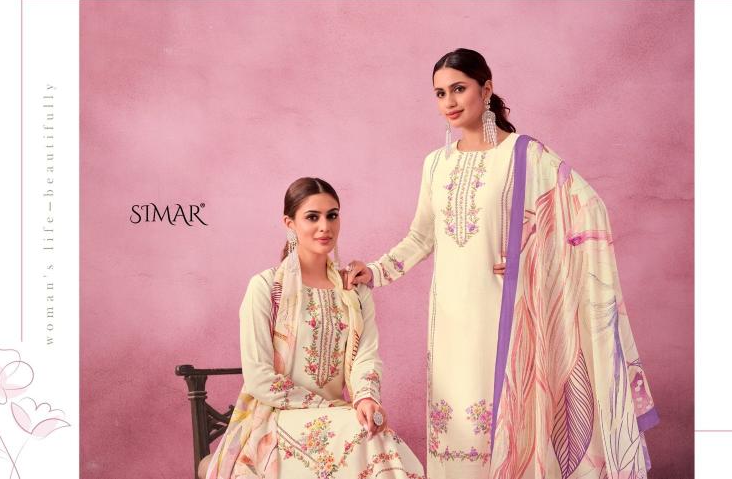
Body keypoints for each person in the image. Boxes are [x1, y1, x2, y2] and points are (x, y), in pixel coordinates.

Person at [343, 48, 659, 479]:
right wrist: (377, 271)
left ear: (486, 89)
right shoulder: (436, 164)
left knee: (506, 423)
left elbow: (585, 210)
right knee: (455, 433)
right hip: (449, 322)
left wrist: (531, 254)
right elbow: (421, 237)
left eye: (459, 89)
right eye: (440, 93)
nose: (449, 102)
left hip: (505, 316)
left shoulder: (525, 155)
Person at [200, 177, 425, 479]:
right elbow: (258, 378)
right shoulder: (266, 287)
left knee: (372, 432)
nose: (325, 226)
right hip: (274, 420)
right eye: (312, 217)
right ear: (289, 223)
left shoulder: (354, 292)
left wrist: (365, 398)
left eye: (332, 215)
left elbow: (366, 357)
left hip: (338, 418)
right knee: (361, 434)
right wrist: (328, 407)